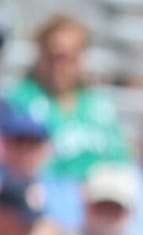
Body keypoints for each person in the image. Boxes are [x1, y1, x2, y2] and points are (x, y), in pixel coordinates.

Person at [6, 14, 130, 183]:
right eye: (54, 56)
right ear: (40, 55)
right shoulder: (19, 102)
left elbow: (118, 162)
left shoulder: (100, 108)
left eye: (68, 57)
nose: (59, 66)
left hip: (94, 201)